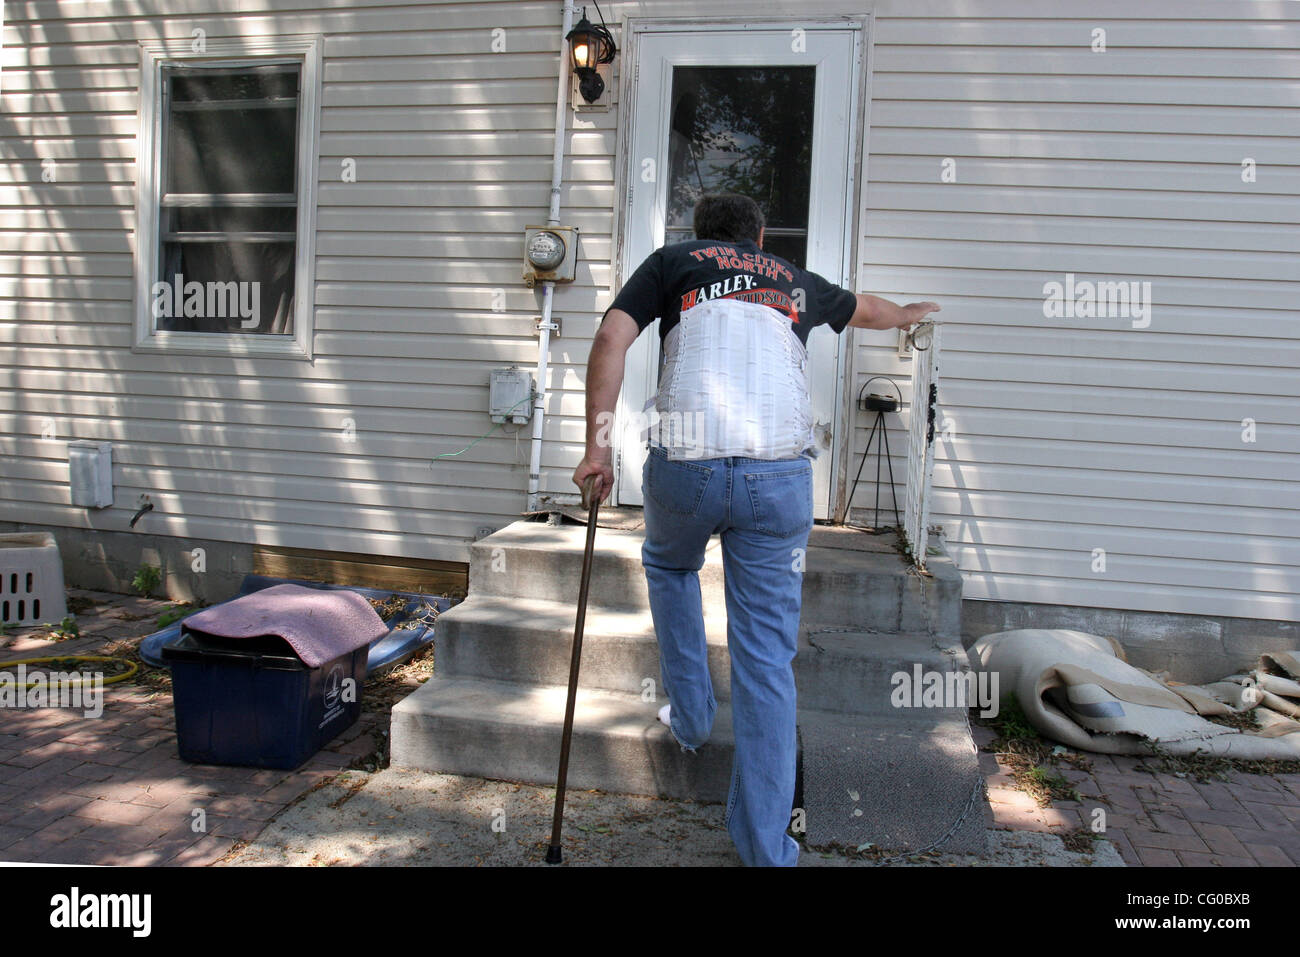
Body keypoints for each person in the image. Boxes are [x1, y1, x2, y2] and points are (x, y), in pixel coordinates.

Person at [572, 193, 939, 866]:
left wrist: (597, 449)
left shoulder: (673, 262)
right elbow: (870, 310)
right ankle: (767, 849)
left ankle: (688, 715)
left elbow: (609, 338)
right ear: (761, 237)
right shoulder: (791, 278)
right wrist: (911, 315)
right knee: (767, 660)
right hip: (777, 478)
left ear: (700, 234)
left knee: (671, 566)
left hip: (687, 470)